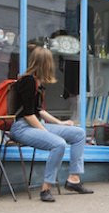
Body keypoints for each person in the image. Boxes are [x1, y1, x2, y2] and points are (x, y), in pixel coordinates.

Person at [9, 46, 93, 202]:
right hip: (21, 127)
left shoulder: (37, 82)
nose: (53, 65)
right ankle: (46, 188)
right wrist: (45, 132)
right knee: (58, 144)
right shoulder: (27, 81)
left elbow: (38, 110)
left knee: (78, 133)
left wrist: (60, 123)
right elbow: (28, 114)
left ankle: (73, 179)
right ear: (44, 63)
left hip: (34, 125)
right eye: (51, 62)